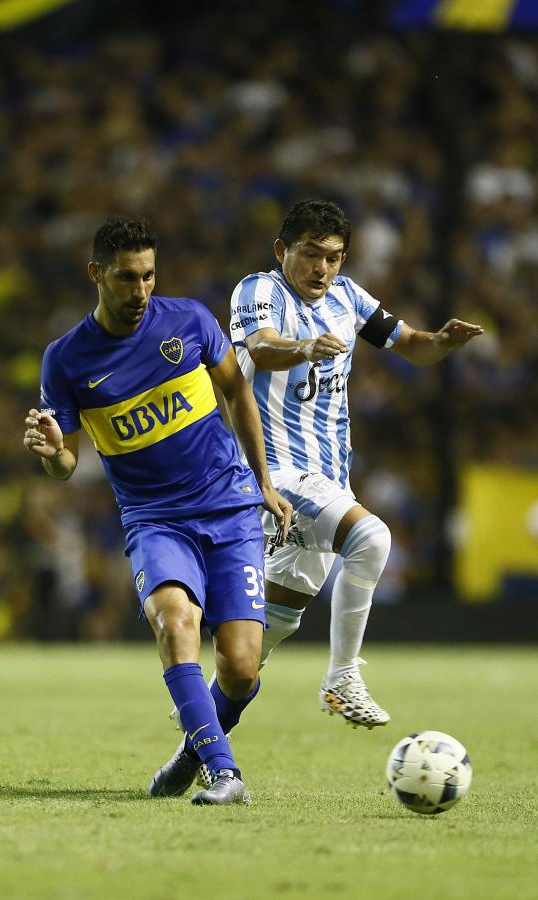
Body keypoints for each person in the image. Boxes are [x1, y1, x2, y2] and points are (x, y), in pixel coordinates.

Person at [23, 217, 291, 805]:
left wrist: (265, 483)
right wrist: (52, 454)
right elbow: (66, 463)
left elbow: (237, 392)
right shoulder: (66, 360)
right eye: (125, 277)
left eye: (148, 276)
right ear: (96, 273)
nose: (140, 290)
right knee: (176, 625)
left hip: (230, 508)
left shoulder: (190, 320)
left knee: (242, 667)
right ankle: (225, 773)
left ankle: (190, 752)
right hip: (155, 518)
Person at [228, 198, 484, 728]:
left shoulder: (347, 297)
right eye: (310, 254)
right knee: (373, 539)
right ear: (282, 250)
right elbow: (261, 347)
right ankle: (342, 678)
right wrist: (304, 349)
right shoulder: (259, 290)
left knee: (262, 640)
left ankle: (198, 737)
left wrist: (440, 342)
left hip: (327, 478)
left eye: (334, 256)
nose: (322, 268)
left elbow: (407, 341)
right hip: (273, 471)